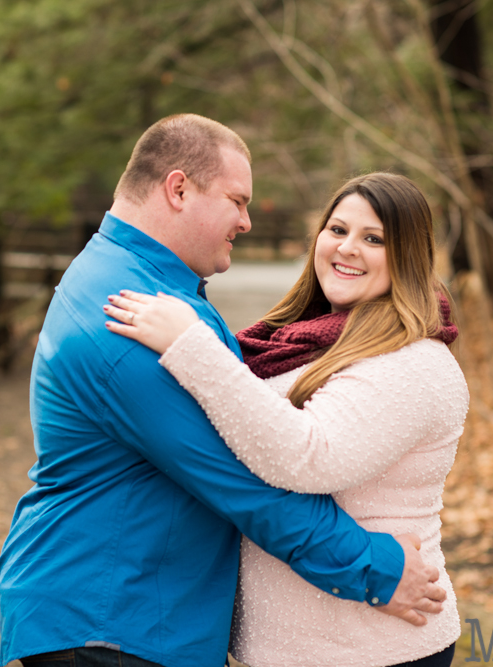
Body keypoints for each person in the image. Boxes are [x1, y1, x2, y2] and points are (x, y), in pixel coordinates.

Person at [0, 116, 447, 667]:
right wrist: (376, 568)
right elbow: (245, 479)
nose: (247, 221)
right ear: (179, 189)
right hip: (112, 622)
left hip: (127, 613)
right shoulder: (129, 318)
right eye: (237, 200)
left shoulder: (137, 281)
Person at [104, 172, 468, 667]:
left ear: (409, 256)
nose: (347, 249)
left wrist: (191, 346)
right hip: (287, 647)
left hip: (371, 646)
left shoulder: (413, 361)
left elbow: (307, 457)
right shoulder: (303, 339)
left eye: (374, 239)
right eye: (337, 230)